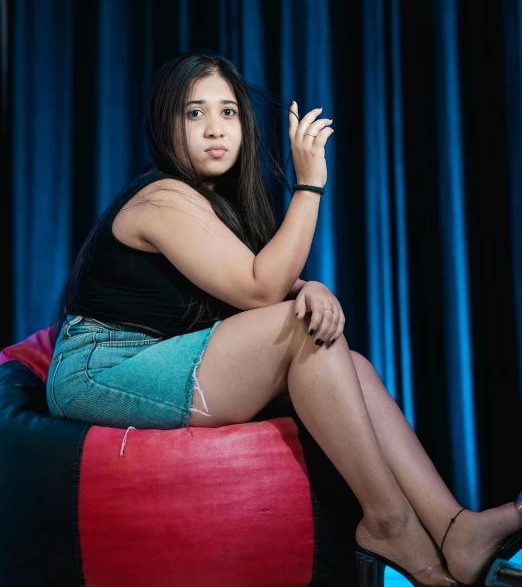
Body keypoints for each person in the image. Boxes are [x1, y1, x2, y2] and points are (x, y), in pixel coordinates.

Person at [46, 49, 522, 587]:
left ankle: (455, 528)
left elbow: (249, 274)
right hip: (99, 368)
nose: (214, 128)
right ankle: (389, 524)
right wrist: (310, 185)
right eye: (194, 113)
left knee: (353, 368)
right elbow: (260, 287)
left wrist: (310, 286)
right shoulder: (163, 198)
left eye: (228, 112)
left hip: (150, 355)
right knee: (302, 331)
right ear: (165, 123)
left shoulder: (208, 202)